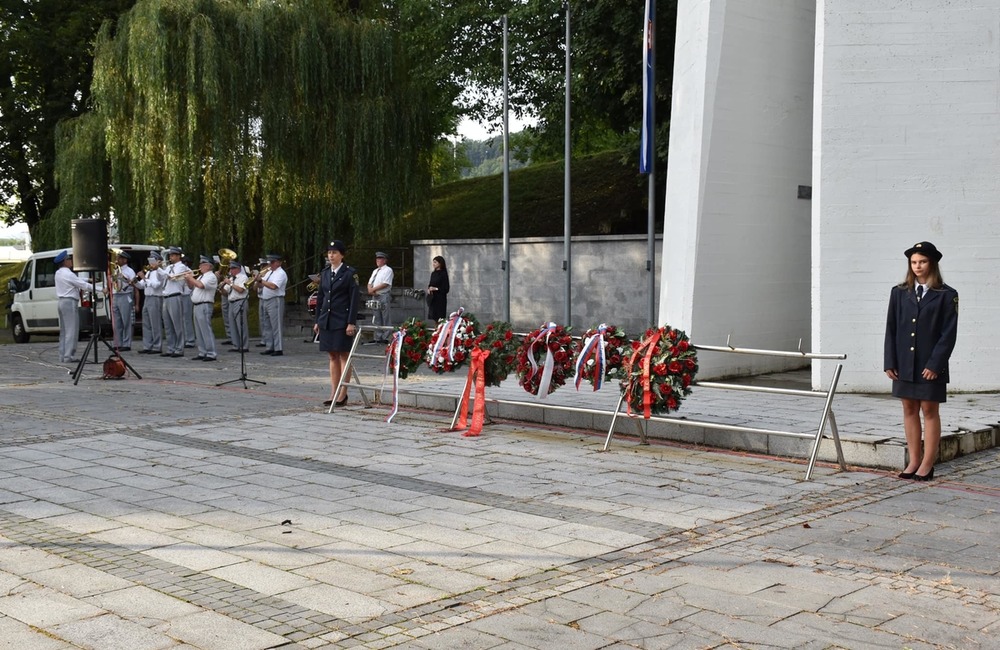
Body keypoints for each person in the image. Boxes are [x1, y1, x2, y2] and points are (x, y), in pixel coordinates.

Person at [884, 241, 958, 482]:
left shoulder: (947, 295)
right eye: (914, 262)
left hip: (930, 365)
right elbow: (891, 329)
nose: (917, 266)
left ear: (932, 263)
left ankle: (927, 463)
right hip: (905, 362)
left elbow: (949, 334)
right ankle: (914, 460)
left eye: (922, 262)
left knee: (929, 409)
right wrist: (890, 361)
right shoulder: (899, 292)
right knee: (908, 408)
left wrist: (935, 364)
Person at [314, 240, 359, 406]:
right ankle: (333, 391)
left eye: (334, 252)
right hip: (327, 319)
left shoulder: (349, 273)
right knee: (332, 354)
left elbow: (354, 299)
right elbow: (320, 297)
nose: (331, 255)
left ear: (342, 255)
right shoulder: (325, 273)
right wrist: (318, 319)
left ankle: (343, 393)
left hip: (342, 319)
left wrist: (351, 322)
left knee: (344, 355)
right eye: (329, 252)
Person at [54, 250, 96, 363]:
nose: (71, 261)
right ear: (65, 261)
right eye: (69, 259)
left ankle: (62, 355)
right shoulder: (68, 273)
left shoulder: (59, 273)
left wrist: (88, 279)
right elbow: (81, 285)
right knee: (72, 330)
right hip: (69, 302)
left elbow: (76, 280)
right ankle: (69, 356)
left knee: (64, 331)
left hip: (62, 302)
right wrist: (100, 289)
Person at [185, 255, 219, 361]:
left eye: (202, 264)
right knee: (199, 330)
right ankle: (202, 351)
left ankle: (211, 353)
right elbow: (192, 286)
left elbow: (200, 286)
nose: (200, 266)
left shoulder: (211, 276)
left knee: (205, 329)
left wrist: (191, 278)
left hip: (204, 304)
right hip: (197, 305)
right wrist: (188, 279)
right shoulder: (201, 276)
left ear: (209, 266)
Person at [161, 246, 190, 357]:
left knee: (177, 324)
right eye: (170, 255)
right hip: (166, 296)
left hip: (175, 296)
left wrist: (159, 270)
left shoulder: (182, 267)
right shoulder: (168, 267)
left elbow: (172, 277)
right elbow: (163, 278)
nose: (170, 257)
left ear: (178, 256)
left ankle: (179, 348)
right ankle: (170, 348)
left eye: (172, 255)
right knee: (168, 325)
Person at [257, 253, 288, 356]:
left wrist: (261, 280)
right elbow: (262, 284)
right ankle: (269, 347)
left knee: (276, 325)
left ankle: (278, 348)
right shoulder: (269, 272)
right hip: (266, 299)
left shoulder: (281, 273)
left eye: (273, 262)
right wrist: (257, 280)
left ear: (279, 263)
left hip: (275, 300)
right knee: (267, 325)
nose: (271, 264)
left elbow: (274, 286)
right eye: (270, 262)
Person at [136, 251, 165, 354]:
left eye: (152, 261)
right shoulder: (149, 272)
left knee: (155, 322)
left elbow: (156, 285)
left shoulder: (160, 272)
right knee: (146, 323)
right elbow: (141, 285)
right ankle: (147, 345)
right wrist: (133, 281)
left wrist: (144, 278)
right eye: (149, 261)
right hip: (147, 298)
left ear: (158, 262)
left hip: (155, 297)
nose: (150, 264)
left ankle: (157, 346)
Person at [219, 260, 250, 352]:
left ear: (238, 269)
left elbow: (241, 290)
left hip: (240, 301)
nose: (231, 271)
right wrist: (221, 288)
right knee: (232, 324)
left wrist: (230, 284)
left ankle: (244, 346)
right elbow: (226, 293)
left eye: (233, 268)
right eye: (230, 269)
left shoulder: (243, 277)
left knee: (241, 324)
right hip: (231, 302)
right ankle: (236, 345)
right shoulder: (231, 279)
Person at [111, 250, 136, 350]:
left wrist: (124, 278)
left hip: (125, 295)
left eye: (120, 258)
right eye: (117, 258)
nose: (117, 260)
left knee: (126, 321)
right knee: (117, 321)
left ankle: (126, 343)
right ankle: (118, 343)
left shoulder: (129, 271)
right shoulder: (116, 270)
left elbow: (133, 282)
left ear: (125, 260)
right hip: (116, 295)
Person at [366, 251, 393, 344]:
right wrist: (370, 289)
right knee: (376, 316)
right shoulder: (375, 271)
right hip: (375, 295)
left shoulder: (388, 270)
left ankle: (386, 337)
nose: (378, 260)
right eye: (377, 259)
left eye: (380, 258)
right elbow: (370, 282)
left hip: (383, 295)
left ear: (385, 260)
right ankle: (378, 336)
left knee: (385, 316)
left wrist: (373, 289)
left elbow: (385, 283)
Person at [426, 255, 450, 321]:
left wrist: (436, 289)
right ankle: (436, 329)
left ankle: (439, 329)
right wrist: (429, 289)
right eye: (433, 262)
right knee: (434, 317)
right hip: (433, 298)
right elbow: (430, 284)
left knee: (440, 318)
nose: (433, 264)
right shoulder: (433, 273)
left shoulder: (443, 274)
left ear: (440, 263)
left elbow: (446, 288)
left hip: (440, 299)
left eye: (435, 262)